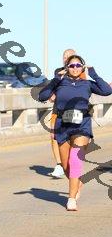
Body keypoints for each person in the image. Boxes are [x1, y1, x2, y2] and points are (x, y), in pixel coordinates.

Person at [39, 54, 112, 210]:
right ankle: (76, 182)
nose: (75, 68)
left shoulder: (87, 84)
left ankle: (71, 199)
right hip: (62, 125)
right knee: (66, 165)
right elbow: (42, 96)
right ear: (67, 68)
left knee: (75, 160)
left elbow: (107, 91)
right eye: (72, 65)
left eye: (78, 65)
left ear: (82, 67)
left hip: (82, 125)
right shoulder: (60, 83)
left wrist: (93, 73)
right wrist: (55, 80)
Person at [49, 48, 78, 178]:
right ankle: (59, 165)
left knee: (71, 138)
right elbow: (54, 86)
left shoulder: (80, 72)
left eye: (69, 56)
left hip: (73, 109)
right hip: (58, 109)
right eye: (64, 56)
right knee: (53, 135)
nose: (66, 58)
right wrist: (52, 94)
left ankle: (71, 163)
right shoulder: (58, 71)